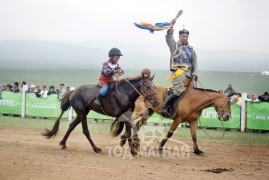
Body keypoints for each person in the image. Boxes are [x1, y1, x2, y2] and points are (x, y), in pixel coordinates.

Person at [159, 19, 198, 115]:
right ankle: (164, 108)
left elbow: (194, 62)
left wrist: (195, 73)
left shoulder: (191, 49)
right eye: (183, 36)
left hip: (189, 74)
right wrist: (171, 26)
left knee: (190, 92)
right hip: (178, 73)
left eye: (186, 36)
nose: (184, 38)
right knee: (178, 90)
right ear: (179, 36)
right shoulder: (174, 45)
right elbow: (169, 37)